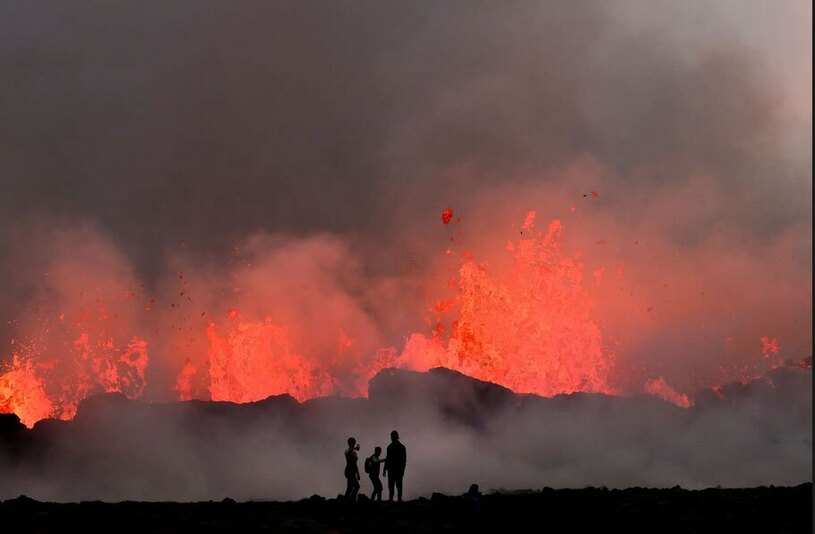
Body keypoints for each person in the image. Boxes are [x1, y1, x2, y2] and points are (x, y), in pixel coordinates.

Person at [383, 430, 407, 502]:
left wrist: (385, 469)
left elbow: (403, 460)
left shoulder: (392, 447)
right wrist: (384, 469)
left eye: (392, 436)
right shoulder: (400, 447)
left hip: (395, 470)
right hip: (394, 470)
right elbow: (388, 459)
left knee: (395, 486)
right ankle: (395, 499)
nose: (392, 438)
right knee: (395, 486)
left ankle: (395, 499)